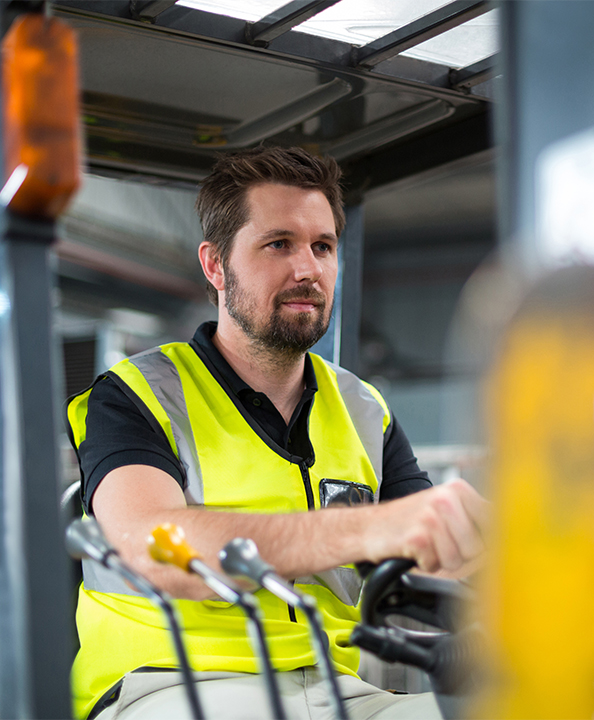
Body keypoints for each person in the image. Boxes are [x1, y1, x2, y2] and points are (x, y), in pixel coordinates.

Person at [66, 146, 487, 720]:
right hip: (172, 685)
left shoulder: (366, 411)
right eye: (278, 244)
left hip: (342, 689)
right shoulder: (135, 395)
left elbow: (430, 555)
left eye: (323, 246)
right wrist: (367, 530)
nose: (308, 269)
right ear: (215, 266)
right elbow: (155, 547)